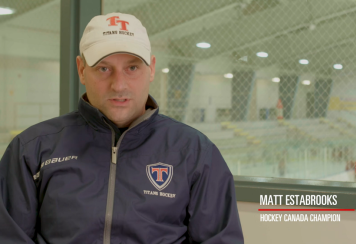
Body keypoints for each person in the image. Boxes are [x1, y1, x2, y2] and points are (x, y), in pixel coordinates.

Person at [0, 13, 244, 243]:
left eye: (132, 67)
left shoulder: (195, 153)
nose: (118, 85)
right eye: (104, 68)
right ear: (82, 70)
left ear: (152, 69)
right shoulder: (31, 150)